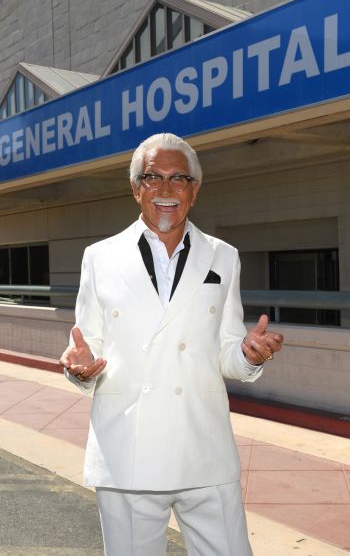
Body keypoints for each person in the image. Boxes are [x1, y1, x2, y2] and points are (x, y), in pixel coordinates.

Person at [60, 133, 283, 556]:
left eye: (179, 178)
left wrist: (248, 355)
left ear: (194, 190)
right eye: (152, 177)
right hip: (128, 453)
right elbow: (86, 348)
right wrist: (79, 366)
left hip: (205, 448)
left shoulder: (224, 257)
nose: (165, 190)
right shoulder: (99, 257)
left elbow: (226, 350)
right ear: (135, 188)